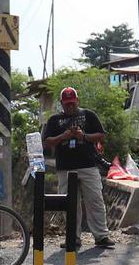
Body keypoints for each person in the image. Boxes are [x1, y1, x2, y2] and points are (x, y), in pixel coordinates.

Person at [41, 87, 113, 248]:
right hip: (65, 167)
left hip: (88, 165)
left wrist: (83, 136)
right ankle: (72, 237)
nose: (70, 106)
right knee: (69, 204)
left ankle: (101, 236)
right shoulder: (54, 120)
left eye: (72, 103)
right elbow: (46, 142)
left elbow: (101, 135)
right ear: (61, 103)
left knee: (95, 200)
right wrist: (63, 136)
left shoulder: (89, 115)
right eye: (67, 104)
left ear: (77, 101)